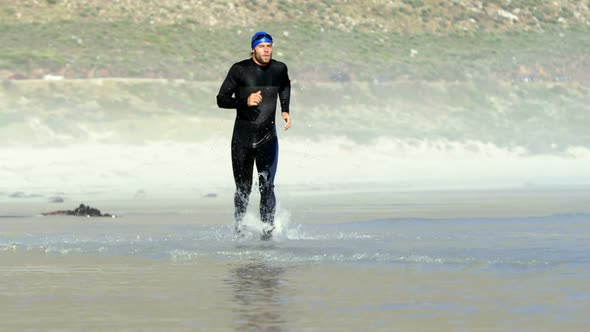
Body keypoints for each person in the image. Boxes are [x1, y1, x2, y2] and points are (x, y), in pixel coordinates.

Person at [216, 31, 292, 240]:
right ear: (253, 49)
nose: (266, 49)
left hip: (268, 137)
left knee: (267, 185)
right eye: (262, 46)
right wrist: (244, 101)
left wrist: (285, 109)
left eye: (269, 45)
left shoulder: (279, 69)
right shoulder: (239, 70)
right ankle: (239, 228)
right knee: (243, 188)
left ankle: (267, 233)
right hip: (242, 139)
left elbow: (285, 84)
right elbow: (221, 99)